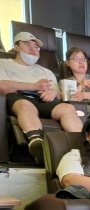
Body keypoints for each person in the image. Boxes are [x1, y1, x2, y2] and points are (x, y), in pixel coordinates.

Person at [0, 31, 83, 160]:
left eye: (36, 47)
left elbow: (59, 95)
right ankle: (36, 142)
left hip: (43, 100)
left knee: (68, 108)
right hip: (18, 97)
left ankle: (83, 145)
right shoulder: (3, 63)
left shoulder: (46, 71)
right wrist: (34, 86)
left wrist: (53, 93)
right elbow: (2, 86)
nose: (33, 49)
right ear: (16, 47)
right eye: (28, 45)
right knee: (25, 105)